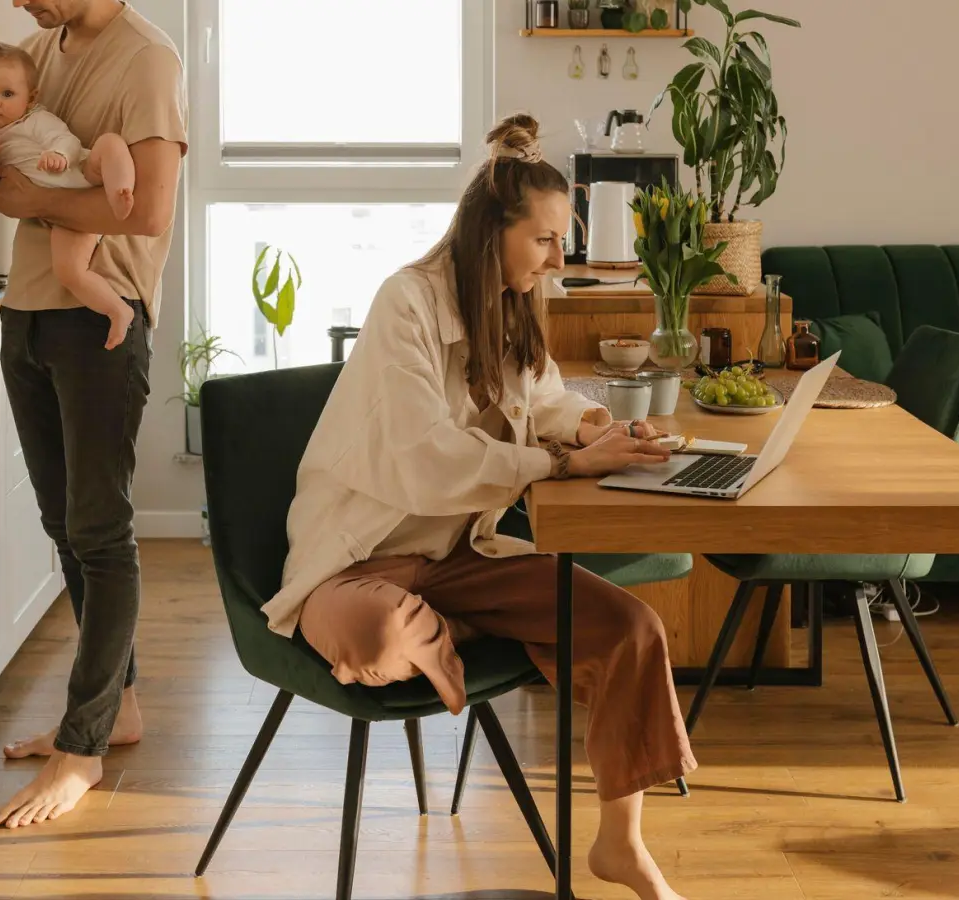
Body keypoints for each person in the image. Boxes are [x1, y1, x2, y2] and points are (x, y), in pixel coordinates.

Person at [264, 114, 696, 900]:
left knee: (633, 629)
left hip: (459, 559)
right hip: (362, 559)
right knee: (375, 635)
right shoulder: (406, 302)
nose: (558, 258)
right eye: (545, 240)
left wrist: (601, 428)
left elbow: (547, 399)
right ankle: (457, 627)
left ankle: (621, 845)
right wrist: (565, 463)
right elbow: (426, 458)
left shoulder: (508, 303)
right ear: (490, 231)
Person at [0, 0, 186, 829]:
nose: (18, 1)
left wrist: (18, 199)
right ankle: (116, 709)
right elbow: (26, 164)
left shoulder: (146, 59)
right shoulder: (37, 47)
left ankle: (81, 747)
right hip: (28, 309)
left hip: (99, 315)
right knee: (64, 524)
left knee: (101, 532)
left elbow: (147, 212)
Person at [0, 17, 138, 350]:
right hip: (65, 217)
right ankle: (117, 311)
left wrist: (59, 154)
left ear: (30, 98)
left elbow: (67, 140)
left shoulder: (35, 121)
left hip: (84, 177)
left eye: (6, 93)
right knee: (69, 271)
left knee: (110, 144)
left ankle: (120, 191)